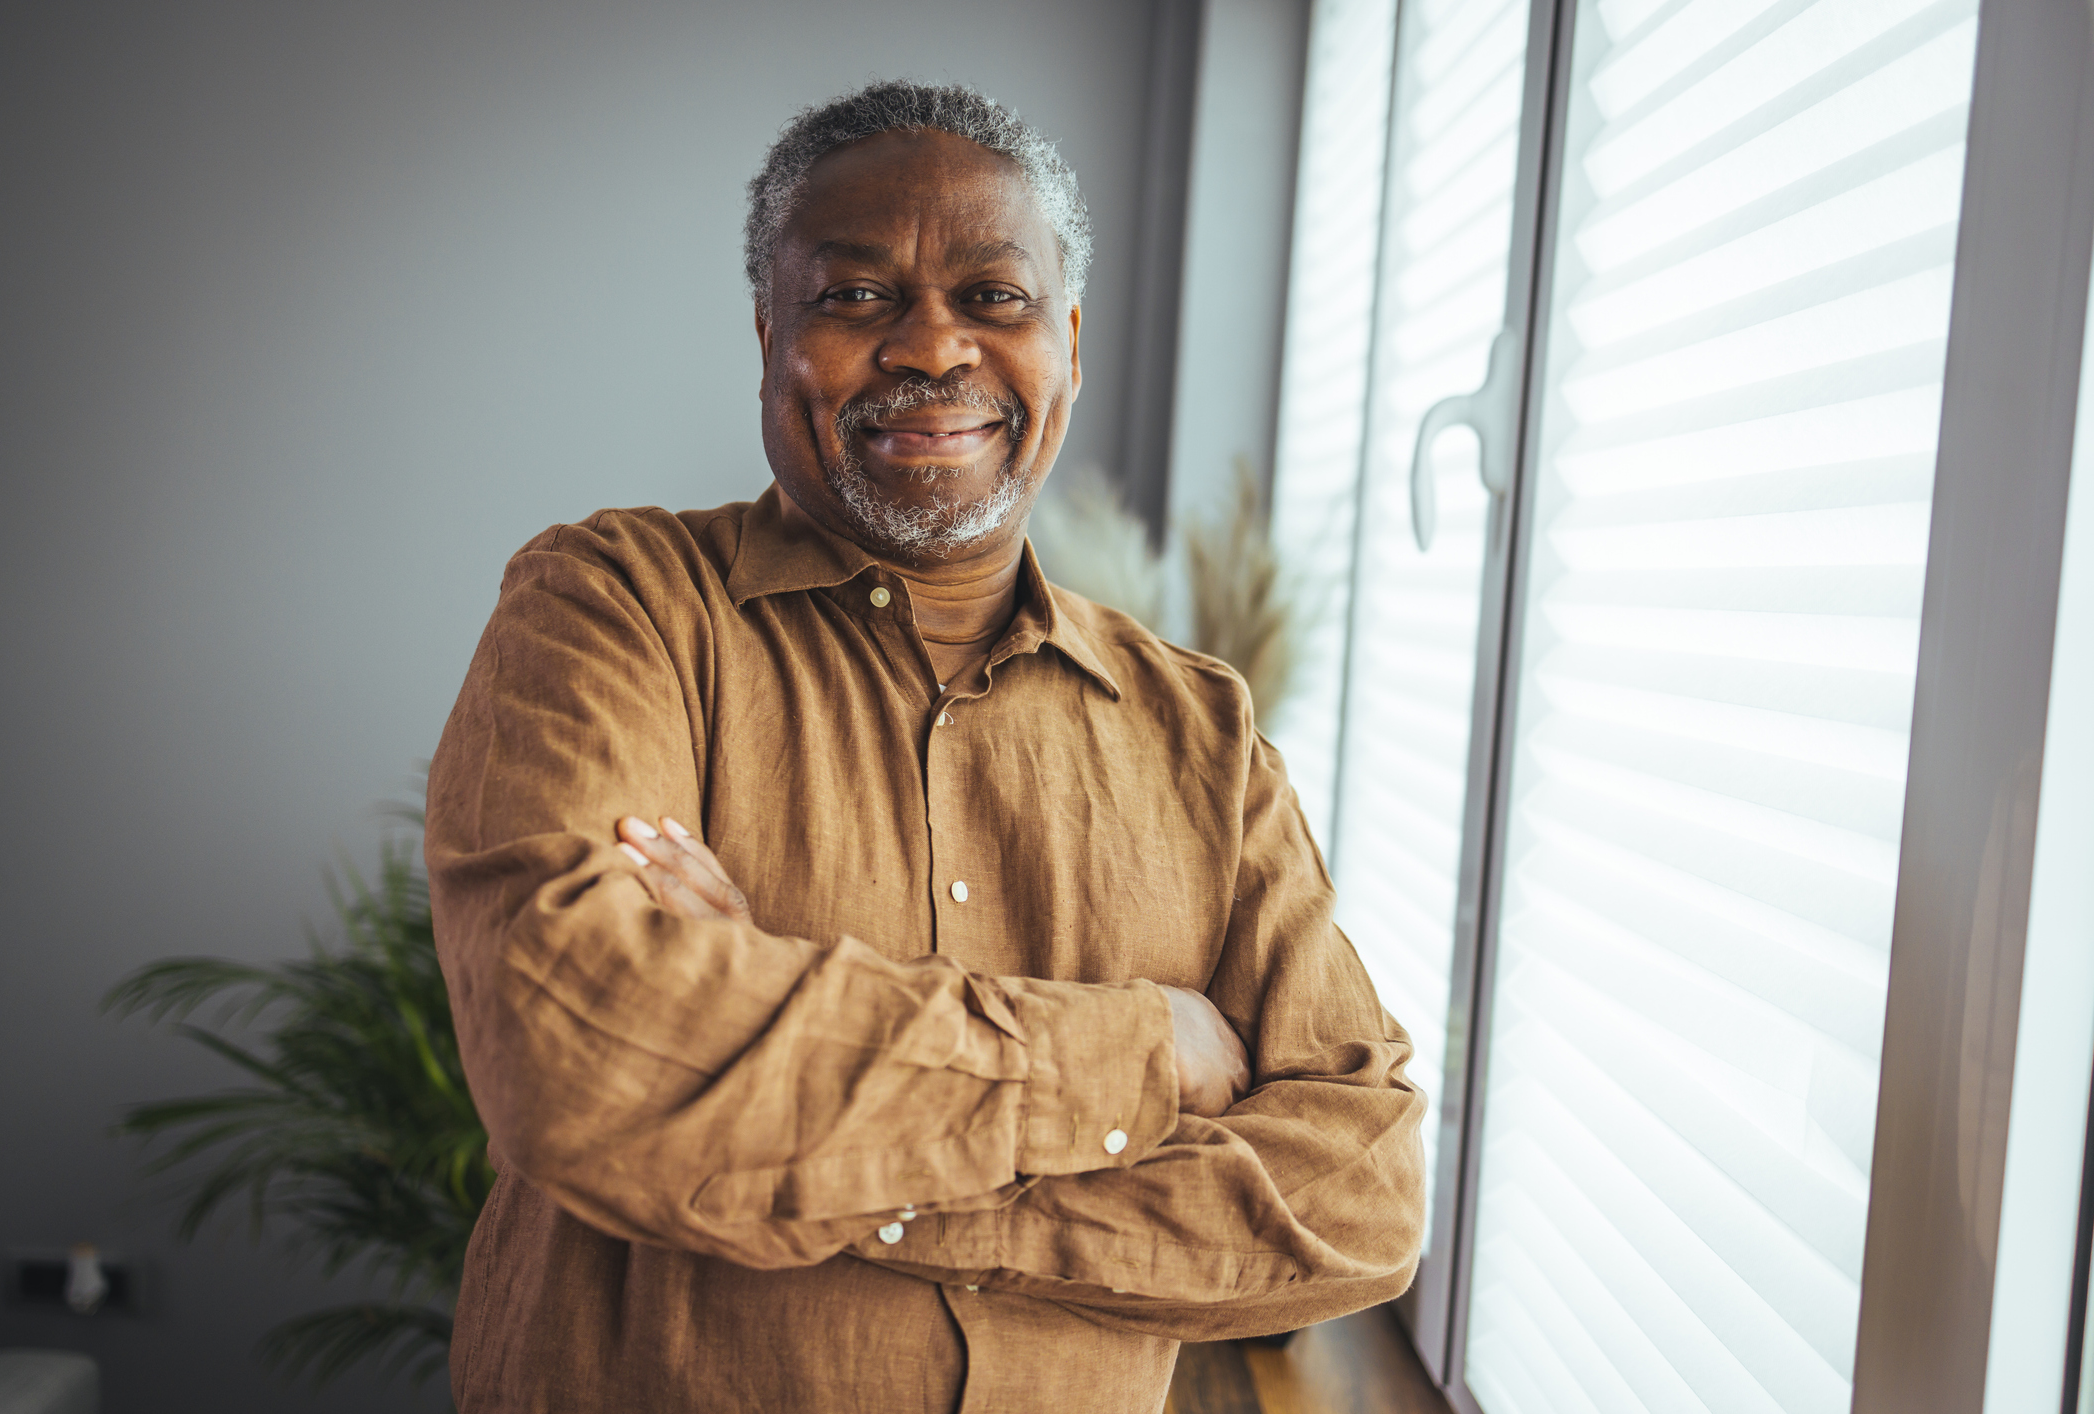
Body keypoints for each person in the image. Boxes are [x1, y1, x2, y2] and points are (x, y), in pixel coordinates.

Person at [425, 79, 1425, 1414]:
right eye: (855, 298)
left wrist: (832, 1164)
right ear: (769, 331)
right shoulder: (614, 605)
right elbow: (587, 1062)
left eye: (992, 298)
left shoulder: (1204, 734)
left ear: (1067, 339)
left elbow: (1358, 1193)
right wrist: (1141, 1054)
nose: (930, 347)